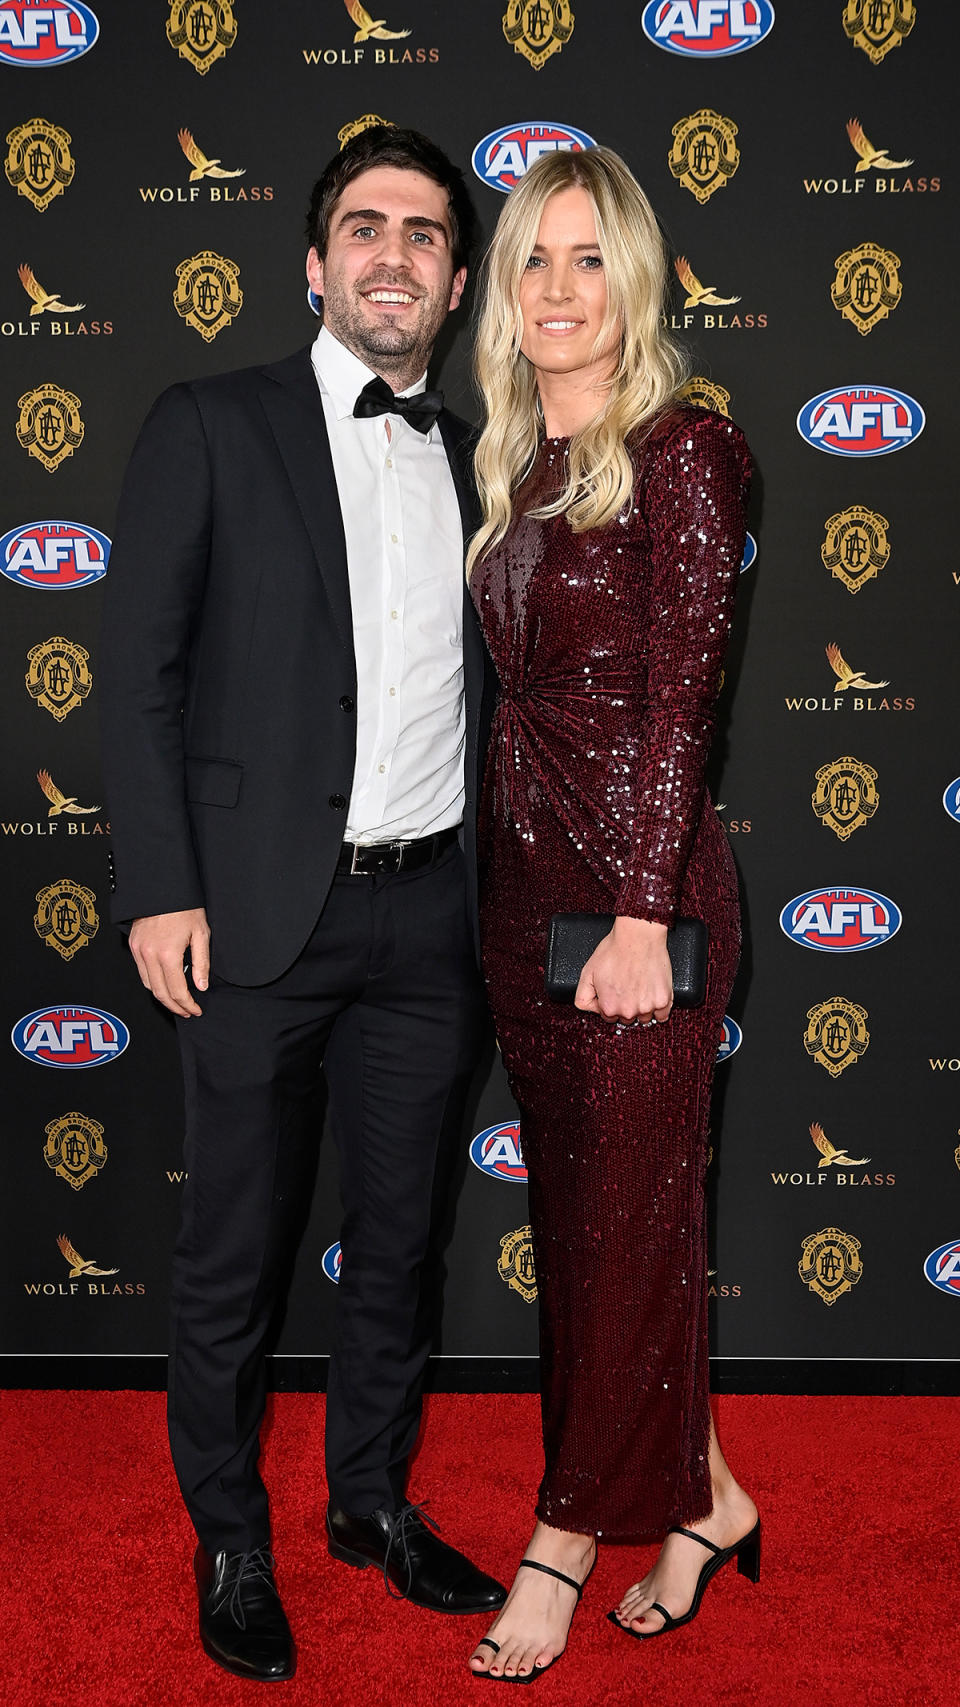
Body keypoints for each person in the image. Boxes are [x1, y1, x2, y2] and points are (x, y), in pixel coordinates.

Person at [99, 126, 505, 1684]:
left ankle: (370, 1505)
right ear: (315, 263)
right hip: (256, 918)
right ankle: (230, 1533)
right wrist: (160, 891)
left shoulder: (479, 454)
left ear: (456, 282)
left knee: (399, 1243)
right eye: (364, 226)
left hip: (433, 922)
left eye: (421, 233)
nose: (392, 252)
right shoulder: (210, 422)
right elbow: (137, 681)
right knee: (235, 1248)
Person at [464, 147, 759, 1683]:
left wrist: (643, 915)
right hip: (524, 912)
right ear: (502, 290)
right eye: (533, 259)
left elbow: (680, 712)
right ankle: (704, 1497)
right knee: (584, 1235)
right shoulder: (513, 457)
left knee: (633, 1235)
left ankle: (563, 1540)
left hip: (640, 910)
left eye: (590, 258)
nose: (560, 290)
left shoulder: (689, 450)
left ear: (634, 278)